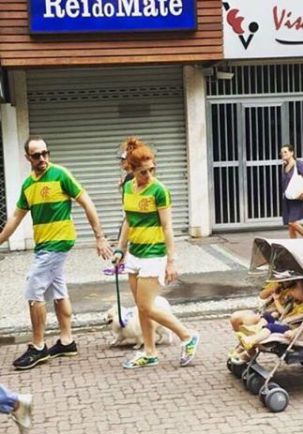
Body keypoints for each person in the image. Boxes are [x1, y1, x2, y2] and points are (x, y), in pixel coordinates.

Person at [0, 136, 113, 370]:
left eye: (45, 153)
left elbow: (86, 201)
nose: (42, 159)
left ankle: (39, 347)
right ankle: (66, 341)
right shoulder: (28, 186)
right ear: (27, 158)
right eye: (36, 155)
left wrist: (99, 236)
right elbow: (15, 218)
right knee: (58, 289)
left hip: (58, 242)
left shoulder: (61, 174)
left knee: (34, 287)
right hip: (44, 245)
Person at [113, 137, 199, 369]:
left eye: (152, 170)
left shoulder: (160, 190)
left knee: (147, 306)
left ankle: (187, 336)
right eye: (143, 172)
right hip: (134, 255)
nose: (149, 175)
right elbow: (128, 222)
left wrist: (171, 261)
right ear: (131, 170)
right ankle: (149, 351)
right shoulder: (127, 188)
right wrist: (120, 249)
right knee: (141, 307)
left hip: (154, 254)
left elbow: (168, 228)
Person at [236, 279, 303, 350]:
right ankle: (256, 330)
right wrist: (276, 299)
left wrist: (294, 332)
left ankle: (251, 340)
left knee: (271, 327)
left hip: (289, 328)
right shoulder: (295, 302)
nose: (292, 290)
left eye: (296, 288)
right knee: (267, 315)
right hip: (283, 322)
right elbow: (283, 312)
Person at [280, 144, 303, 238]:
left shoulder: (298, 164)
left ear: (292, 152)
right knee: (290, 225)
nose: (283, 154)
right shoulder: (284, 165)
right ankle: (293, 244)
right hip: (288, 197)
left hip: (298, 197)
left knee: (292, 222)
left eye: (285, 152)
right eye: (282, 152)